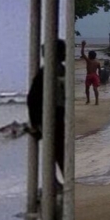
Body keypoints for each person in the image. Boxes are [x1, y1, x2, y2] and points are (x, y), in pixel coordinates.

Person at [27, 40, 66, 187]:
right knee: (58, 152)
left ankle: (58, 180)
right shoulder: (51, 72)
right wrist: (36, 123)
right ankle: (58, 180)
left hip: (55, 116)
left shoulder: (50, 72)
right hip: (56, 116)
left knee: (57, 152)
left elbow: (31, 99)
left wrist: (35, 123)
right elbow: (33, 99)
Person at [81, 40, 101, 105]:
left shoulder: (88, 61)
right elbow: (100, 70)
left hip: (89, 75)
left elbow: (82, 54)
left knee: (87, 88)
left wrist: (83, 46)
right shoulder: (97, 62)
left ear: (89, 56)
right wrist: (100, 77)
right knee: (95, 89)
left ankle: (88, 100)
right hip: (95, 75)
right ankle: (97, 101)